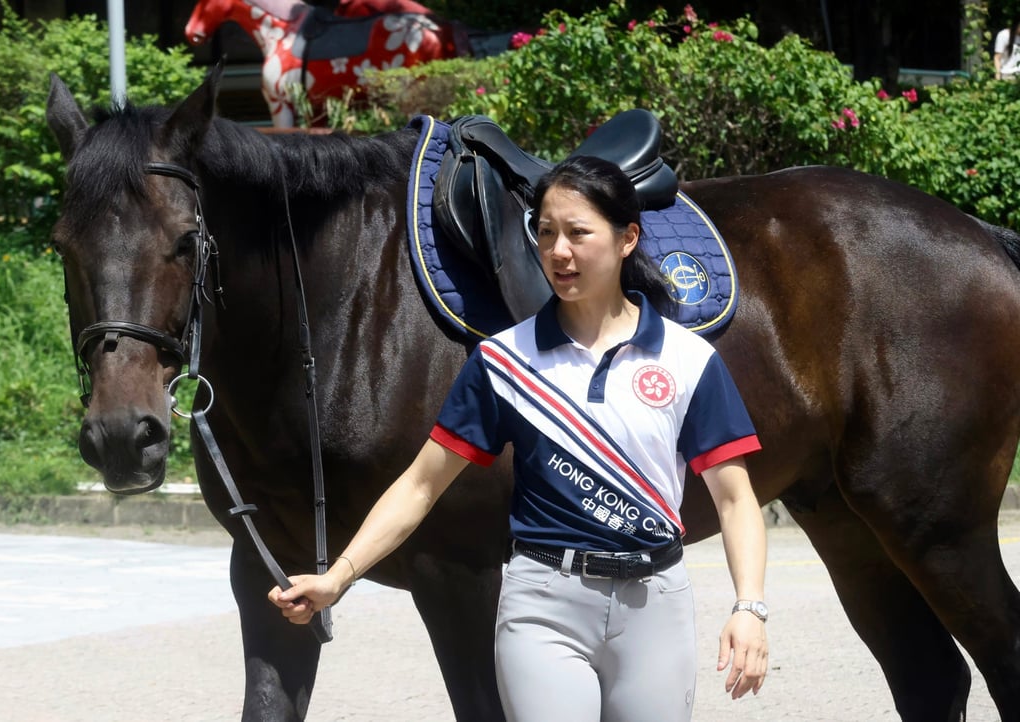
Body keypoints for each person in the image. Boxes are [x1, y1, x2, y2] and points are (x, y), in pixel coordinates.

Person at [269, 155, 769, 721]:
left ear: (627, 238)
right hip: (543, 605)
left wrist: (749, 606)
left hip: (656, 604)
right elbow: (419, 487)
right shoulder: (503, 361)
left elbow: (735, 497)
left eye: (578, 233)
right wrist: (338, 577)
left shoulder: (688, 359)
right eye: (547, 232)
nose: (559, 251)